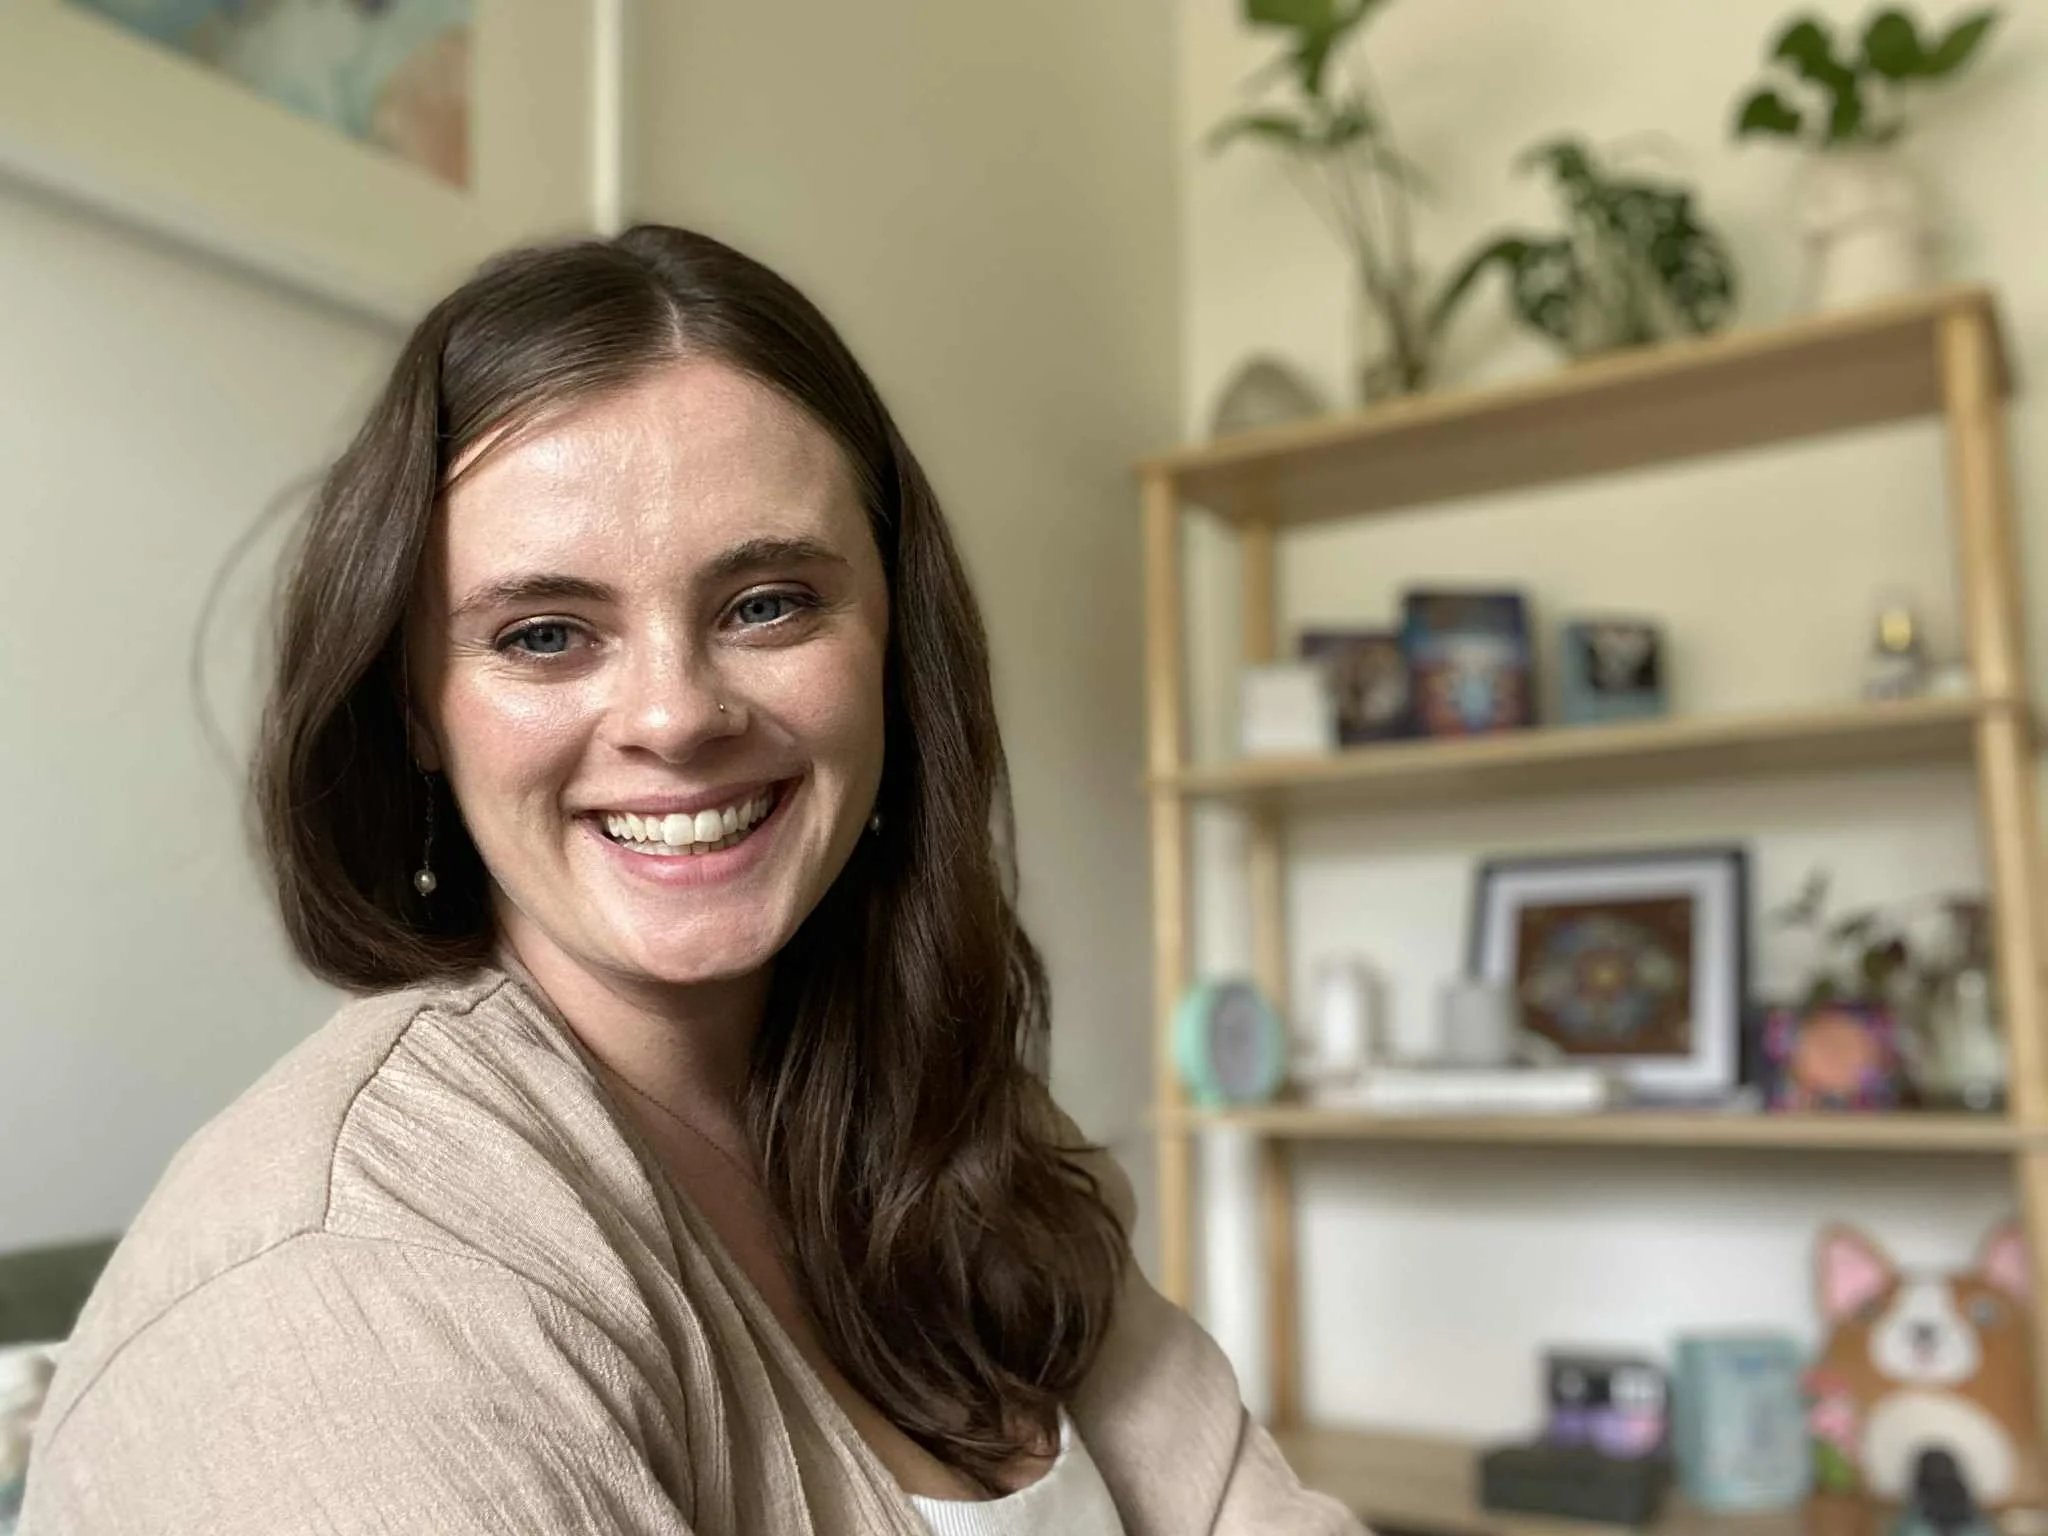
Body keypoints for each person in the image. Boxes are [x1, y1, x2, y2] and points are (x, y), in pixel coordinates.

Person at [21, 226, 1358, 1535]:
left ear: (893, 646)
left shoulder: (942, 1117)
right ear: (415, 709)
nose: (675, 715)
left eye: (767, 603)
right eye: (545, 635)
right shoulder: (347, 1276)